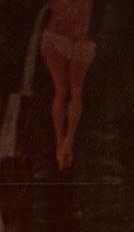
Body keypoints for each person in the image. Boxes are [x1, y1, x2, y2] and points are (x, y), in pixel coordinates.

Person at [42, 0, 97, 170]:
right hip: (59, 37)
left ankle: (66, 142)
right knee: (66, 90)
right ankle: (62, 142)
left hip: (76, 40)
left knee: (69, 91)